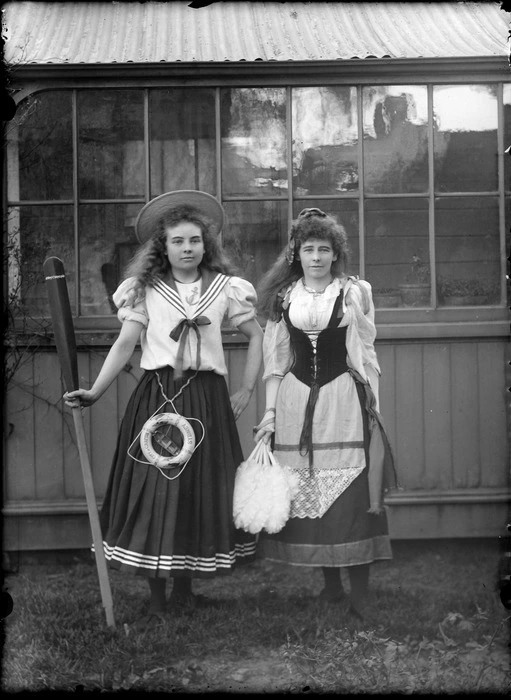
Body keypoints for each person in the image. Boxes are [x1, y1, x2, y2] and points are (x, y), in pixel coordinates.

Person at [64, 190, 263, 629]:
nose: (187, 248)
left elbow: (256, 334)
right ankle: (157, 595)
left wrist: (247, 387)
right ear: (163, 245)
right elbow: (125, 345)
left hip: (206, 397)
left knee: (196, 488)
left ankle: (186, 590)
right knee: (157, 487)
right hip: (158, 397)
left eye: (194, 240)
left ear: (205, 244)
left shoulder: (226, 288)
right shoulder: (145, 290)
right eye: (178, 241)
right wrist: (95, 391)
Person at [254, 207, 397, 620]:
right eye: (308, 249)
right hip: (296, 401)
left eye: (324, 249)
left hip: (344, 398)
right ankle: (331, 586)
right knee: (311, 489)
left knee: (350, 491)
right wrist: (269, 413)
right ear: (296, 255)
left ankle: (360, 592)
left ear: (336, 254)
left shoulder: (354, 293)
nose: (316, 257)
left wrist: (373, 402)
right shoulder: (284, 298)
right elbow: (276, 360)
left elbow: (365, 352)